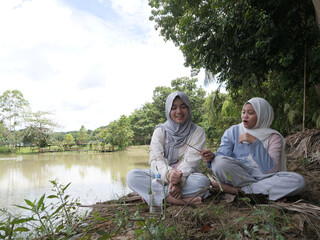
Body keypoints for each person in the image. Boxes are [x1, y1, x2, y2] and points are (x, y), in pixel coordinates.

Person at [201, 97, 306, 201]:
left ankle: (234, 190)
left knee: (298, 181)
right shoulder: (233, 131)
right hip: (239, 174)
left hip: (264, 177)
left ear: (262, 116)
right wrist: (212, 156)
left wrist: (255, 142)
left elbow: (271, 171)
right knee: (218, 162)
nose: (244, 116)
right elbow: (223, 155)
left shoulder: (273, 137)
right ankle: (265, 193)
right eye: (243, 112)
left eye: (250, 113)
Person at [127, 91, 210, 205]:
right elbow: (156, 160)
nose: (179, 111)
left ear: (188, 109)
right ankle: (172, 199)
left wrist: (178, 181)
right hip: (160, 175)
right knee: (132, 176)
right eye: (174, 108)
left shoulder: (198, 132)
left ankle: (154, 196)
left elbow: (190, 162)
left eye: (183, 107)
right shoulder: (160, 131)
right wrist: (169, 174)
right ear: (168, 110)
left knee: (202, 182)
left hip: (186, 177)